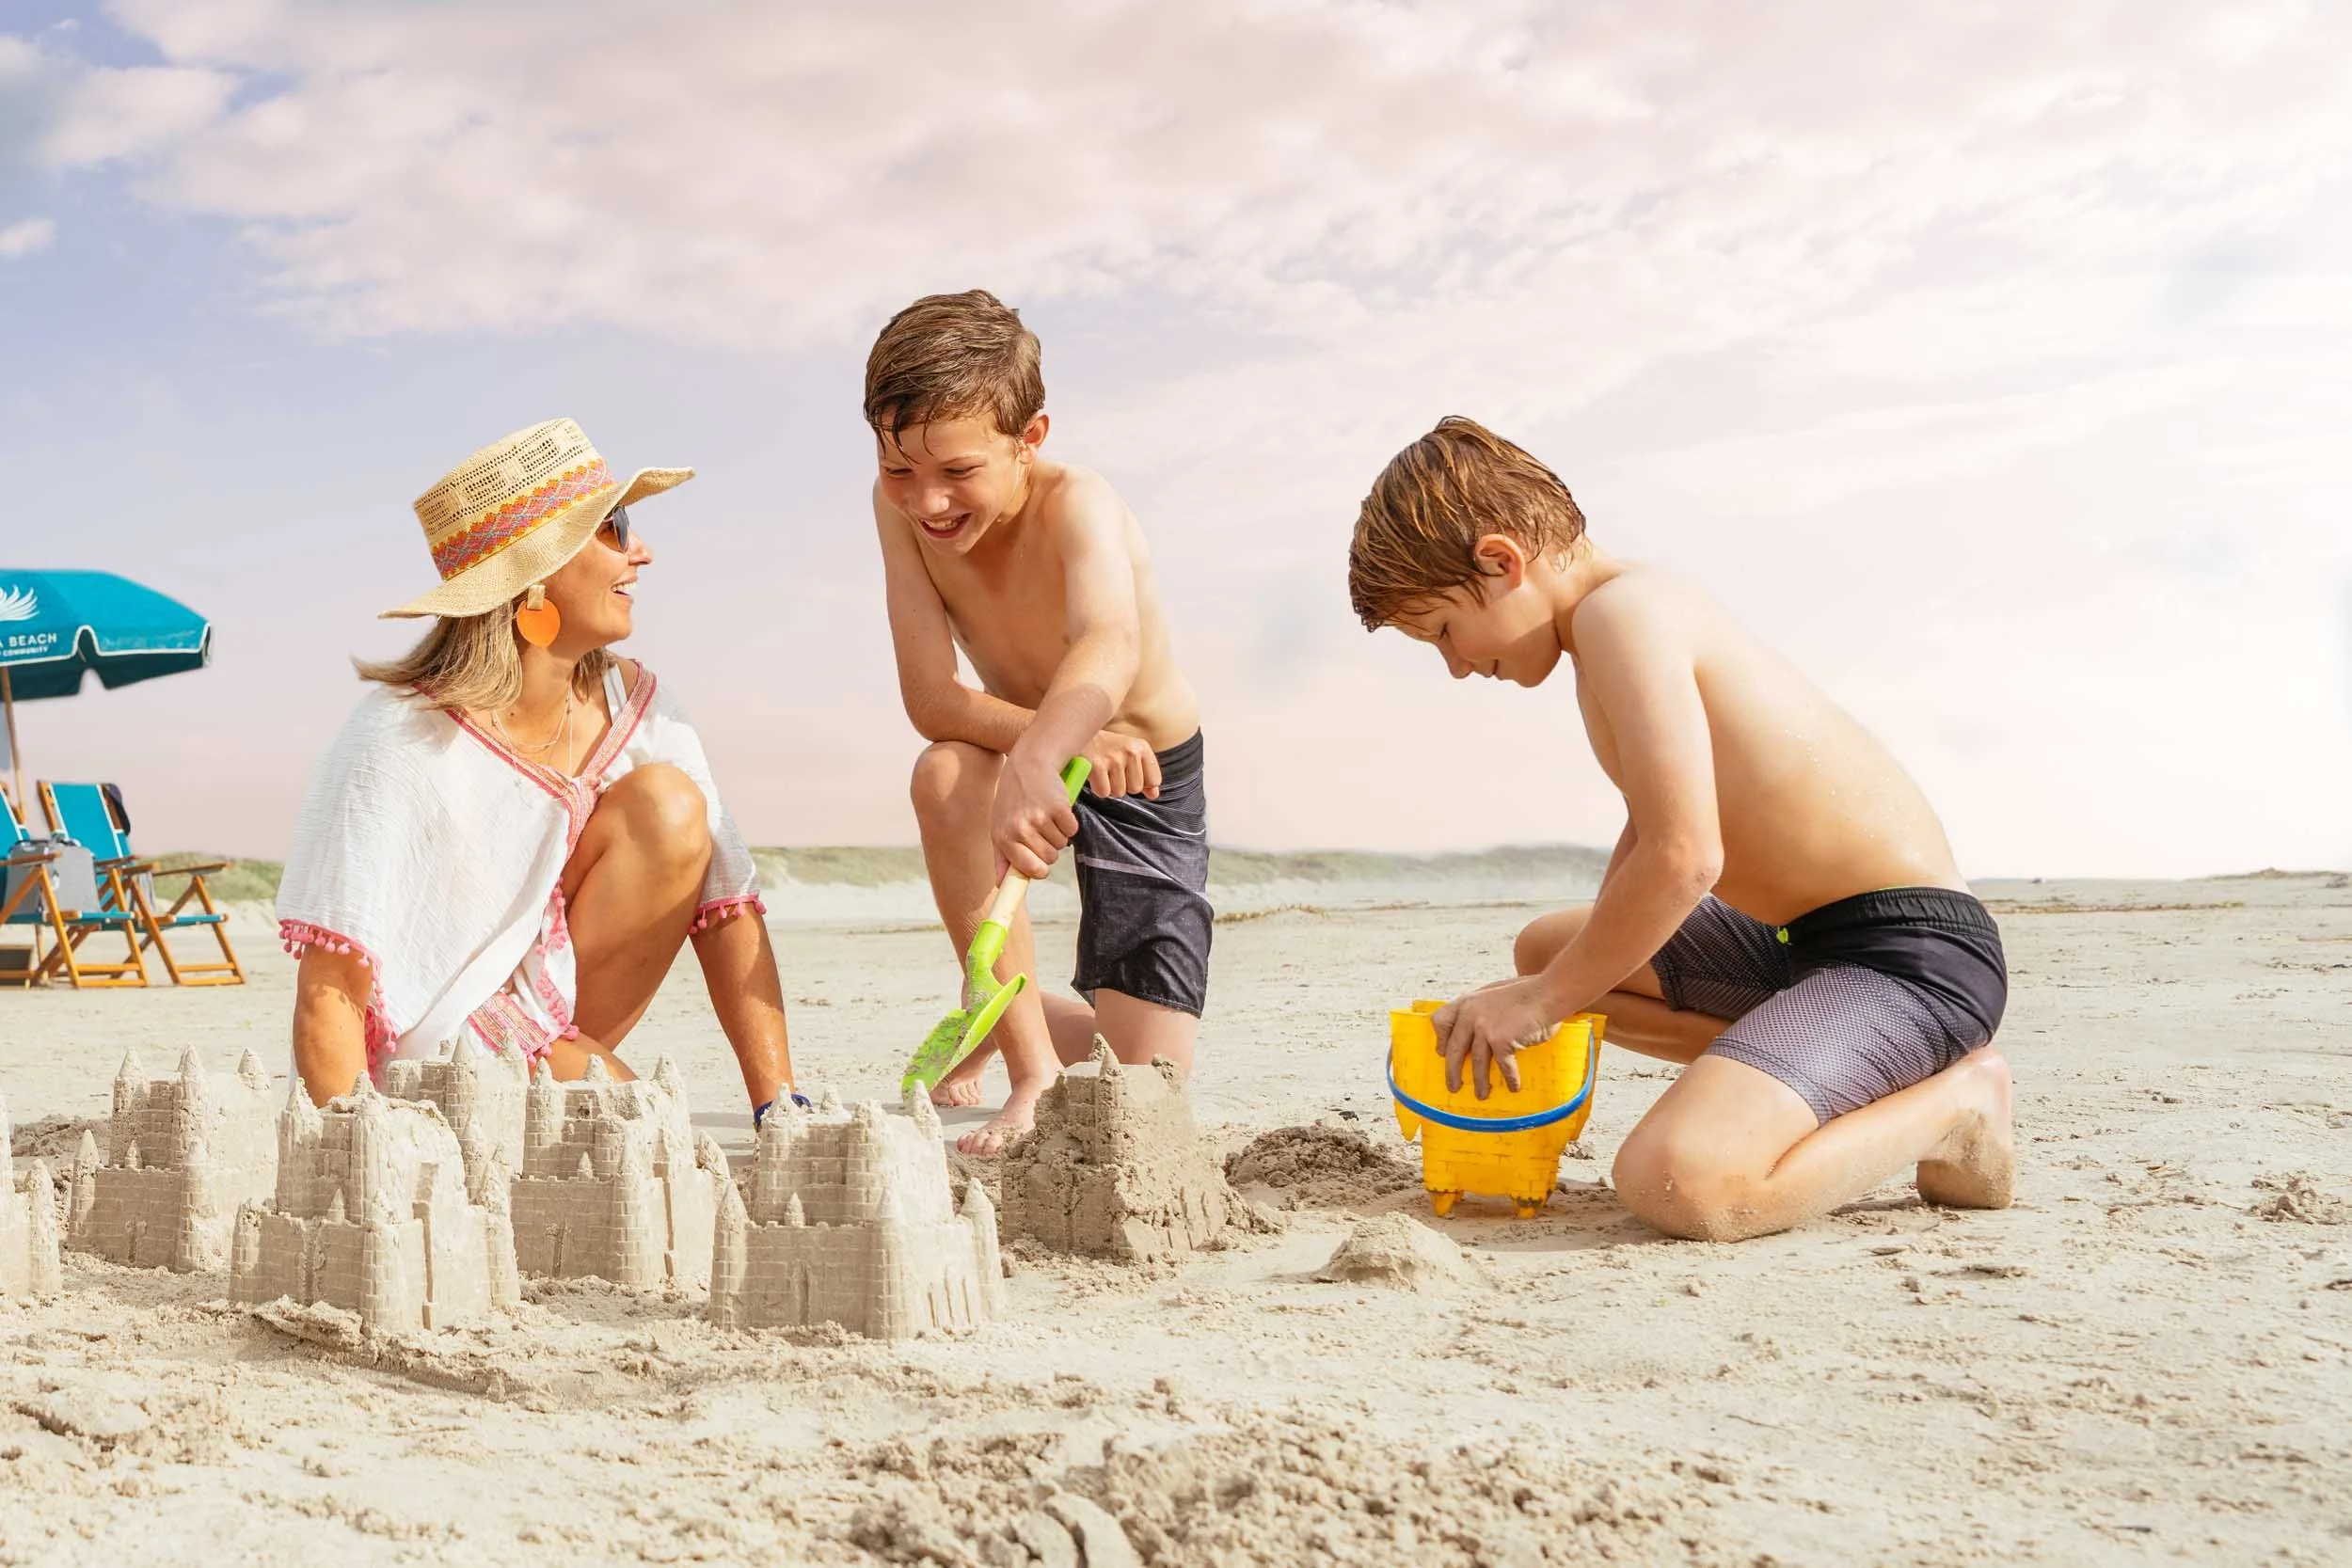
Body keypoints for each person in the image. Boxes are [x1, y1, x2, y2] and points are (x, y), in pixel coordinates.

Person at [1346, 417, 2012, 1242]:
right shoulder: (1607, 624)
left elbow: (1686, 856)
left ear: (1500, 561)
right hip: (1800, 946)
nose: (1453, 665)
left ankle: (1958, 1106)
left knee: (1679, 1180)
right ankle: (1799, 1061)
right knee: (1548, 950)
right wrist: (1546, 990)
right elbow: (1646, 827)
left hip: (1910, 959)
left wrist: (1546, 1003)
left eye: (1443, 630)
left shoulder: (1625, 616)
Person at [278, 418, 801, 1117]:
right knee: (634, 1122)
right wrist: (351, 1156)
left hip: (541, 1001)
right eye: (614, 527)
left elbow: (726, 899)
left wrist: (779, 1104)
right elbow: (330, 987)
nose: (641, 551)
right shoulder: (396, 738)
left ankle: (551, 1070)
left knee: (670, 808)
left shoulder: (636, 703)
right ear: (538, 574)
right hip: (429, 1051)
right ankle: (530, 1090)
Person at [869, 290, 1209, 1155]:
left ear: (1031, 440)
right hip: (1035, 744)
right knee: (942, 771)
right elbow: (930, 697)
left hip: (1141, 770)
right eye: (900, 469)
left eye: (958, 471)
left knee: (1144, 1089)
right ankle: (1031, 1069)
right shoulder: (898, 508)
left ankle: (994, 1008)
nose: (928, 501)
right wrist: (1046, 745)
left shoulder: (1078, 502)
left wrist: (1056, 746)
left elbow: (1110, 639)